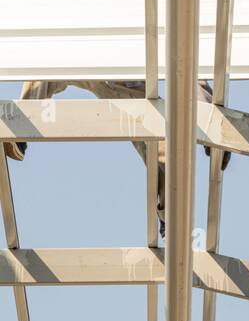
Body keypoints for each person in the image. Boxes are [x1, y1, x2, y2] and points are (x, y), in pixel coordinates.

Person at [3, 79, 229, 238]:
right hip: (100, 58)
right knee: (47, 67)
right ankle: (18, 130)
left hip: (118, 72)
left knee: (162, 152)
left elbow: (188, 65)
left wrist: (209, 118)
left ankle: (170, 215)